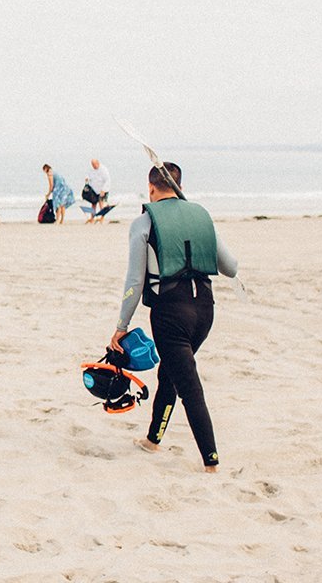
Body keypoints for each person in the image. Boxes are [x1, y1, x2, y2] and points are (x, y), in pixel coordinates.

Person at [110, 162, 239, 472]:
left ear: (151, 188)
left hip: (171, 313)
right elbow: (231, 267)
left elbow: (134, 281)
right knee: (171, 372)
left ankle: (211, 462)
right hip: (205, 310)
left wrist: (121, 327)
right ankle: (153, 440)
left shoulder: (143, 223)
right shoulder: (201, 216)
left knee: (189, 385)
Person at [82, 158, 111, 224]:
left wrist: (104, 190)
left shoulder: (103, 169)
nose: (94, 166)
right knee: (93, 204)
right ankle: (92, 218)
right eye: (92, 165)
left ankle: (101, 218)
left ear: (98, 163)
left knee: (101, 203)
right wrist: (87, 179)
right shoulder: (91, 169)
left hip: (102, 189)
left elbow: (107, 180)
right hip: (94, 189)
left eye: (94, 165)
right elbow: (88, 175)